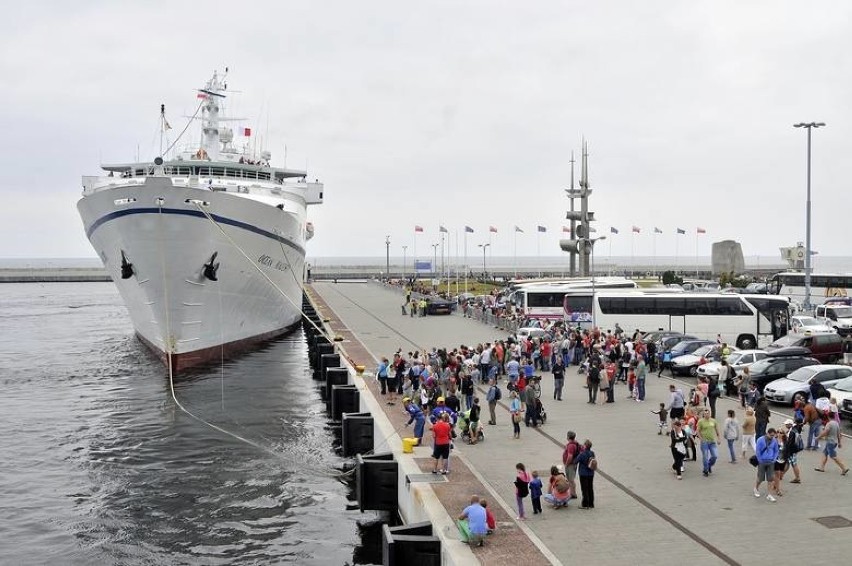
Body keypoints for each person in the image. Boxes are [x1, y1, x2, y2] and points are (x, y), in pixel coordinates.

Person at [814, 411, 850, 475]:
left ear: (828, 416)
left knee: (833, 456)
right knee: (824, 453)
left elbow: (826, 431)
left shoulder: (829, 423)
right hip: (834, 442)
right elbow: (839, 433)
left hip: (830, 442)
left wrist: (818, 437)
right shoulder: (836, 423)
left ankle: (844, 468)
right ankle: (821, 468)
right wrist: (839, 442)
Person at [754, 428, 779, 502]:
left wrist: (774, 459)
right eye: (771, 435)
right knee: (760, 478)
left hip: (771, 462)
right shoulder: (760, 440)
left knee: (770, 478)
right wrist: (760, 460)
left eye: (773, 436)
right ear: (767, 433)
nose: (772, 437)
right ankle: (756, 488)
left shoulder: (774, 440)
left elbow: (776, 450)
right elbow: (757, 451)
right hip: (762, 461)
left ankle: (769, 495)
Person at [696, 409, 720, 477]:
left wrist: (718, 438)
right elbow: (697, 431)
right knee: (705, 457)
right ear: (703, 414)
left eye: (708, 413)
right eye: (705, 413)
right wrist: (701, 439)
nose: (707, 415)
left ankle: (709, 465)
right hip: (705, 442)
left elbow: (717, 430)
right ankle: (705, 470)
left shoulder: (713, 421)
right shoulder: (701, 421)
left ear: (710, 414)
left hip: (712, 441)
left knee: (715, 456)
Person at [575, 440, 596, 509]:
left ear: (585, 446)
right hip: (591, 473)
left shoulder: (582, 454)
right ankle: (591, 503)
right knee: (590, 488)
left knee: (584, 489)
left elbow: (575, 461)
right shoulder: (592, 453)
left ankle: (585, 504)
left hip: (583, 473)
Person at [783, 418, 804, 483]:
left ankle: (797, 478)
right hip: (794, 450)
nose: (785, 425)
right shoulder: (795, 429)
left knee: (793, 464)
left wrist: (787, 451)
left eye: (786, 424)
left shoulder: (792, 432)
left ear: (790, 424)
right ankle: (781, 475)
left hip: (792, 451)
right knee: (788, 463)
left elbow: (790, 443)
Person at [562, 431, 581, 499]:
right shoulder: (576, 443)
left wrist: (566, 464)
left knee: (571, 480)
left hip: (570, 464)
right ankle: (572, 492)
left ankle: (573, 494)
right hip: (573, 463)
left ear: (568, 437)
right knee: (571, 479)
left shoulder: (571, 445)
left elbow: (570, 456)